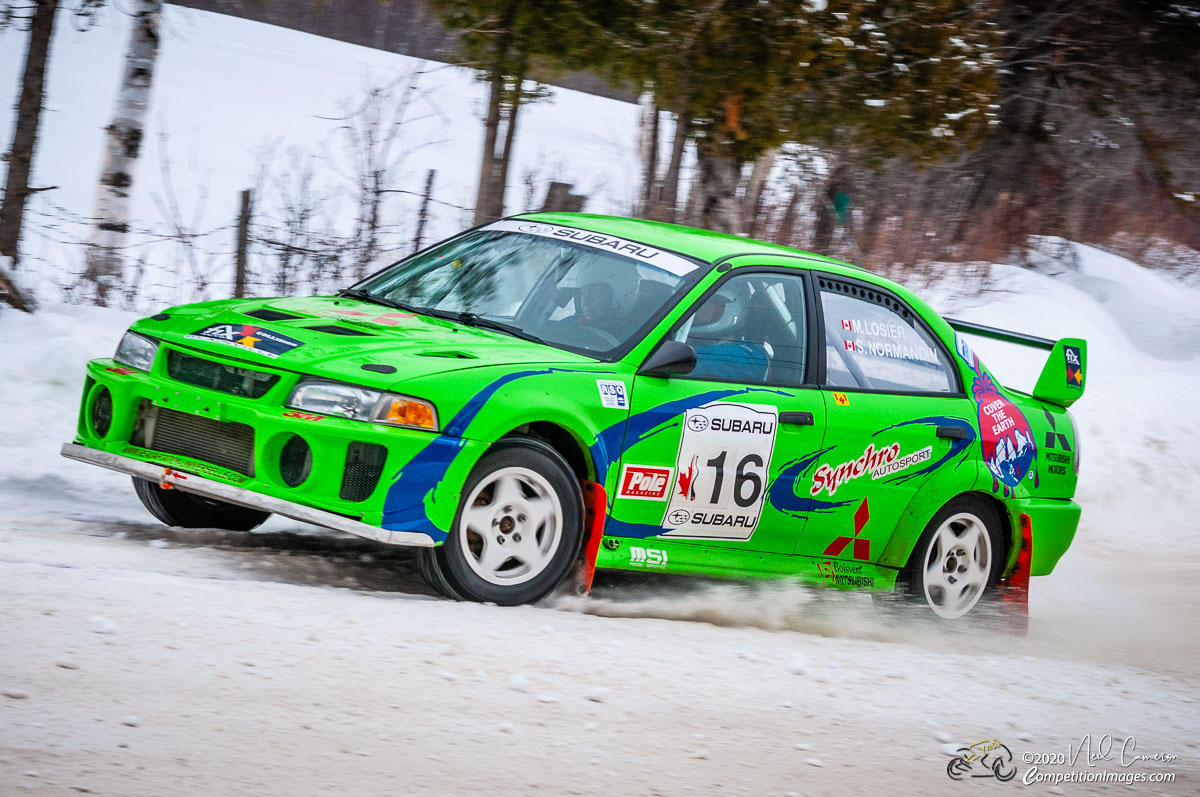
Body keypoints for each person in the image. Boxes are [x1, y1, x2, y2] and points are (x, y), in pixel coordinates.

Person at [687, 293, 769, 382]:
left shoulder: (749, 355)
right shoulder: (694, 339)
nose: (695, 310)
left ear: (730, 310)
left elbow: (687, 361)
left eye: (704, 305)